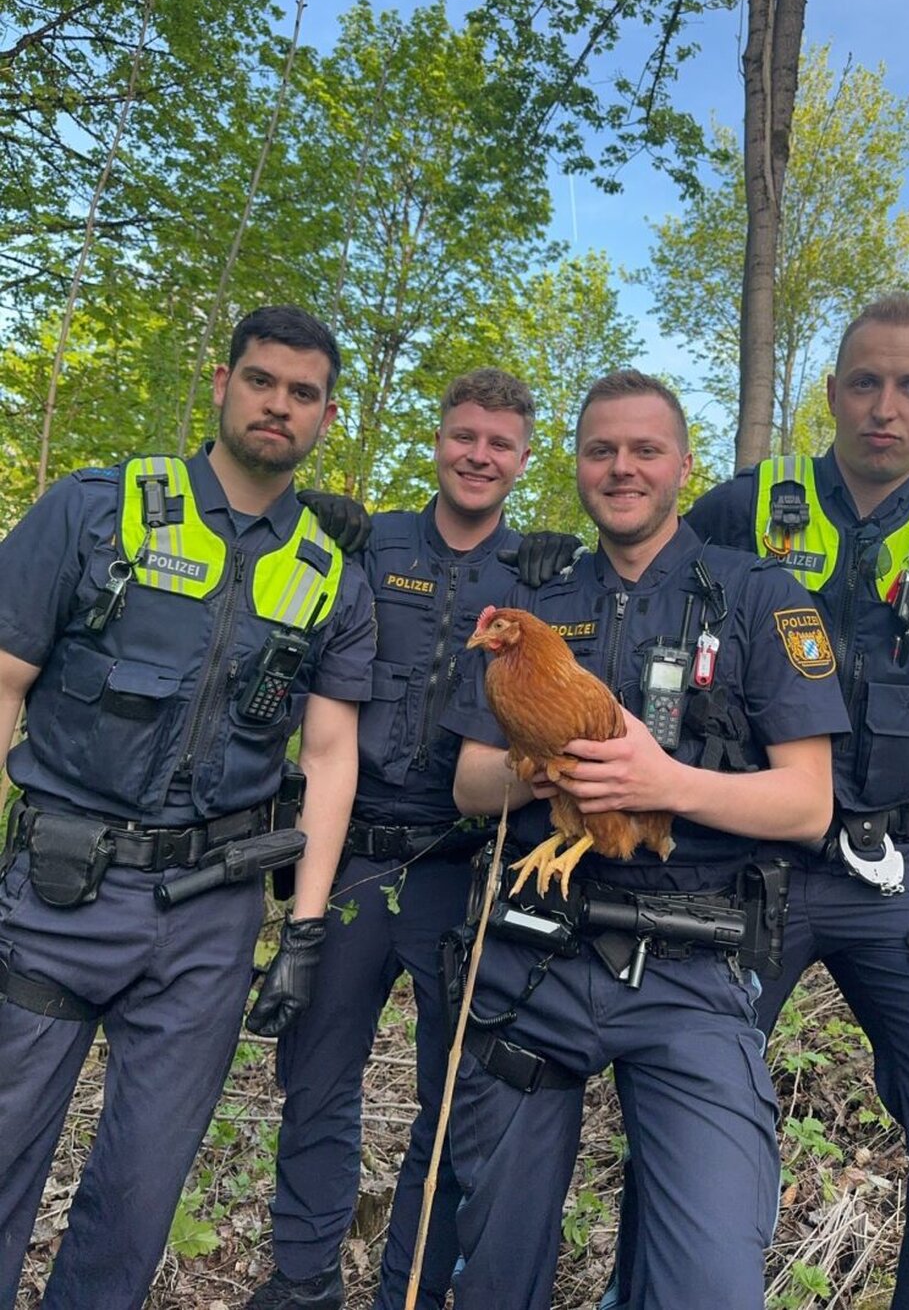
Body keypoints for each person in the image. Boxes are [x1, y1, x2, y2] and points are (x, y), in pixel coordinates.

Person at [603, 294, 909, 1310]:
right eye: (863, 382)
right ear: (830, 392)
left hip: (903, 874)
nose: (883, 406)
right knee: (685, 1122)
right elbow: (621, 576)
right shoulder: (743, 508)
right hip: (736, 857)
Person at [442, 369, 850, 1310]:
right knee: (494, 1269)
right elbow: (471, 783)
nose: (621, 468)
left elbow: (807, 806)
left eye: (645, 450)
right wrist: (542, 767)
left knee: (708, 1280)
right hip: (535, 953)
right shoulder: (531, 597)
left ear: (683, 464)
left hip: (689, 964)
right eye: (600, 451)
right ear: (578, 466)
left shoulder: (759, 596)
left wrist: (666, 783)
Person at [0, 306, 377, 1310]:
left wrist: (301, 926)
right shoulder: (97, 509)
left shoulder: (330, 572)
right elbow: (3, 682)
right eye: (262, 381)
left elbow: (330, 756)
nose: (278, 405)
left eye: (302, 393)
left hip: (208, 918)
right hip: (56, 889)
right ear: (221, 382)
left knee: (139, 1188)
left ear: (326, 416)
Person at [246, 368, 579, 1310]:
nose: (480, 456)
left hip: (462, 872)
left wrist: (577, 573)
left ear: (522, 459)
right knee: (315, 1076)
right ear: (439, 440)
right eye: (464, 436)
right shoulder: (367, 541)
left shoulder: (542, 575)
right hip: (349, 858)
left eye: (501, 444)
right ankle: (303, 1278)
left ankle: (413, 1287)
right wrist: (308, 511)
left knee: (449, 1099)